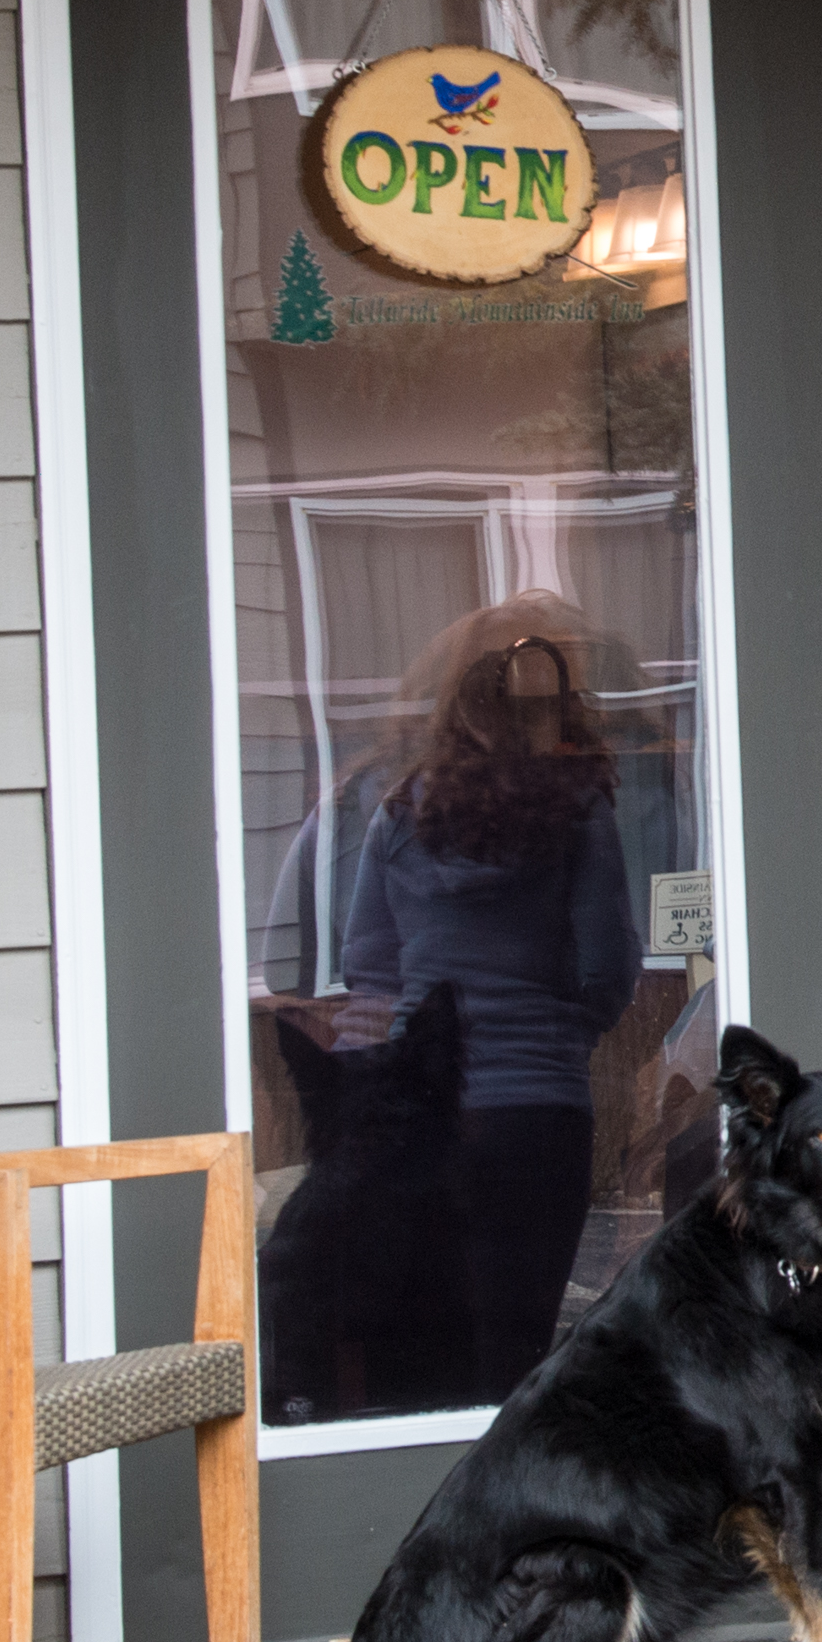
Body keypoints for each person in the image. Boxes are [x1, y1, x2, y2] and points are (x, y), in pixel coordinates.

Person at [342, 599, 645, 1399]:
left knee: (427, 1347)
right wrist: (558, 1040)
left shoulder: (398, 816)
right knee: (518, 1345)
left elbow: (366, 967)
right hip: (538, 1113)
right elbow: (610, 965)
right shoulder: (580, 811)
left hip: (422, 1113)